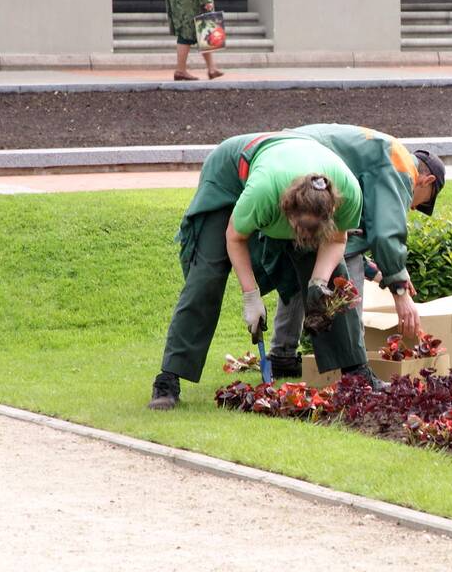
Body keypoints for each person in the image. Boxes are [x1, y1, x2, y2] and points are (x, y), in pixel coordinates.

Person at [147, 131, 363, 410]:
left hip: (287, 162)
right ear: (286, 211)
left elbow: (336, 240)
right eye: (300, 228)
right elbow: (234, 238)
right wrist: (251, 296)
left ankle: (356, 373)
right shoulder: (264, 192)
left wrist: (317, 283)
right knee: (207, 276)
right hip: (230, 174)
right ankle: (168, 379)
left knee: (333, 283)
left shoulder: (348, 192)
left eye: (315, 227)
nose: (304, 235)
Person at [263, 124, 446, 383]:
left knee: (302, 257)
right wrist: (399, 289)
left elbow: (355, 228)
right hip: (301, 168)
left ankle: (282, 355)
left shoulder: (379, 150)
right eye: (422, 201)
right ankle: (356, 372)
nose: (414, 208)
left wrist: (379, 271)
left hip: (283, 165)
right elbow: (384, 232)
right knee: (347, 270)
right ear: (426, 181)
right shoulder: (402, 164)